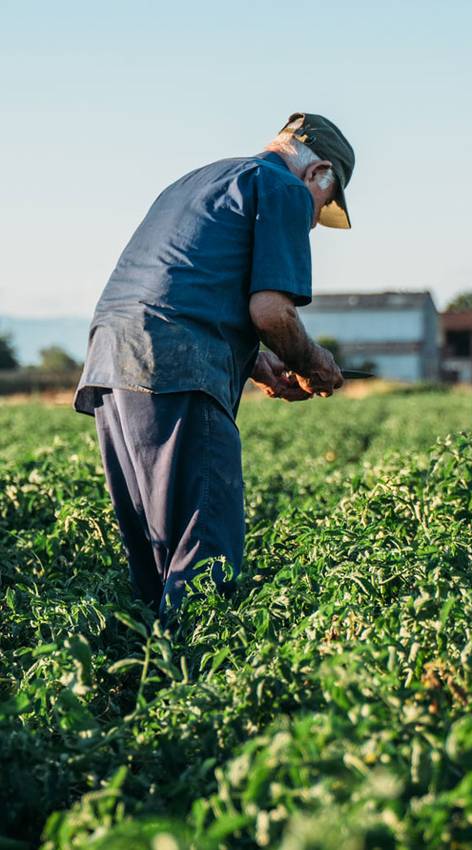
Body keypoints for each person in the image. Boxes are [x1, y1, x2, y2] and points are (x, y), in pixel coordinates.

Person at [73, 112, 354, 621]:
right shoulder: (283, 188)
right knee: (204, 559)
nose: (314, 221)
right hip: (176, 369)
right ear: (319, 174)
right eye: (324, 207)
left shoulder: (200, 179)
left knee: (158, 562)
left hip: (113, 361)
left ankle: (148, 687)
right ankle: (193, 689)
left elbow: (183, 278)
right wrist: (312, 364)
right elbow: (271, 310)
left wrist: (255, 362)